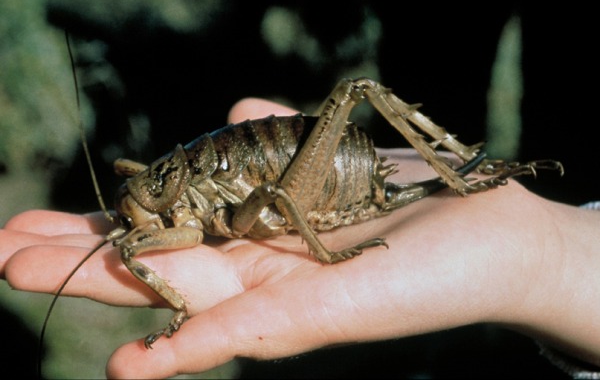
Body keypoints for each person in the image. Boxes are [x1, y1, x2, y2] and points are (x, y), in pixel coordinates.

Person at [1, 98, 599, 379]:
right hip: (273, 158)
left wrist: (327, 256)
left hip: (315, 180)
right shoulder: (167, 187)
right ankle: (472, 167)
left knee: (354, 91)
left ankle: (472, 167)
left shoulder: (183, 206)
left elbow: (278, 197)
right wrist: (550, 256)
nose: (132, 225)